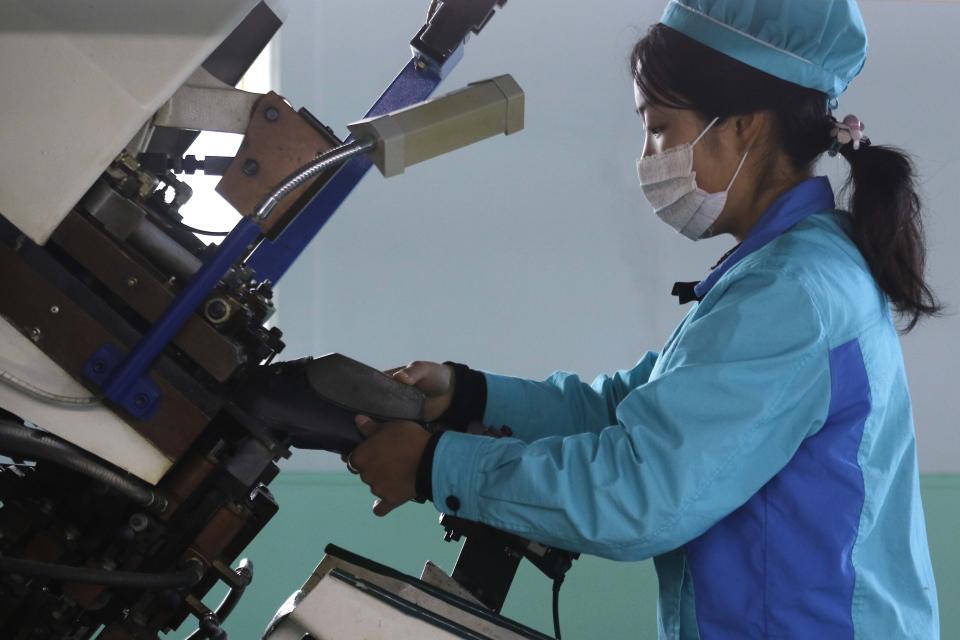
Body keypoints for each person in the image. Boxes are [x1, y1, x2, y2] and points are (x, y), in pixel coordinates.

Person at [345, 0, 942, 637]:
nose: (649, 156)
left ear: (741, 125)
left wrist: (438, 466)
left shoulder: (792, 294)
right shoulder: (788, 268)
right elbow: (632, 410)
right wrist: (469, 396)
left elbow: (641, 494)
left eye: (659, 128)